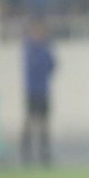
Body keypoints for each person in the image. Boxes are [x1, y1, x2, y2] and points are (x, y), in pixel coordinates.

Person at [21, 18, 56, 165]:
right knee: (30, 121)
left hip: (43, 90)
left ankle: (44, 153)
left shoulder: (45, 48)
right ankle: (26, 153)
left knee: (44, 123)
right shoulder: (30, 48)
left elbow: (53, 65)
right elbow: (36, 67)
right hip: (32, 90)